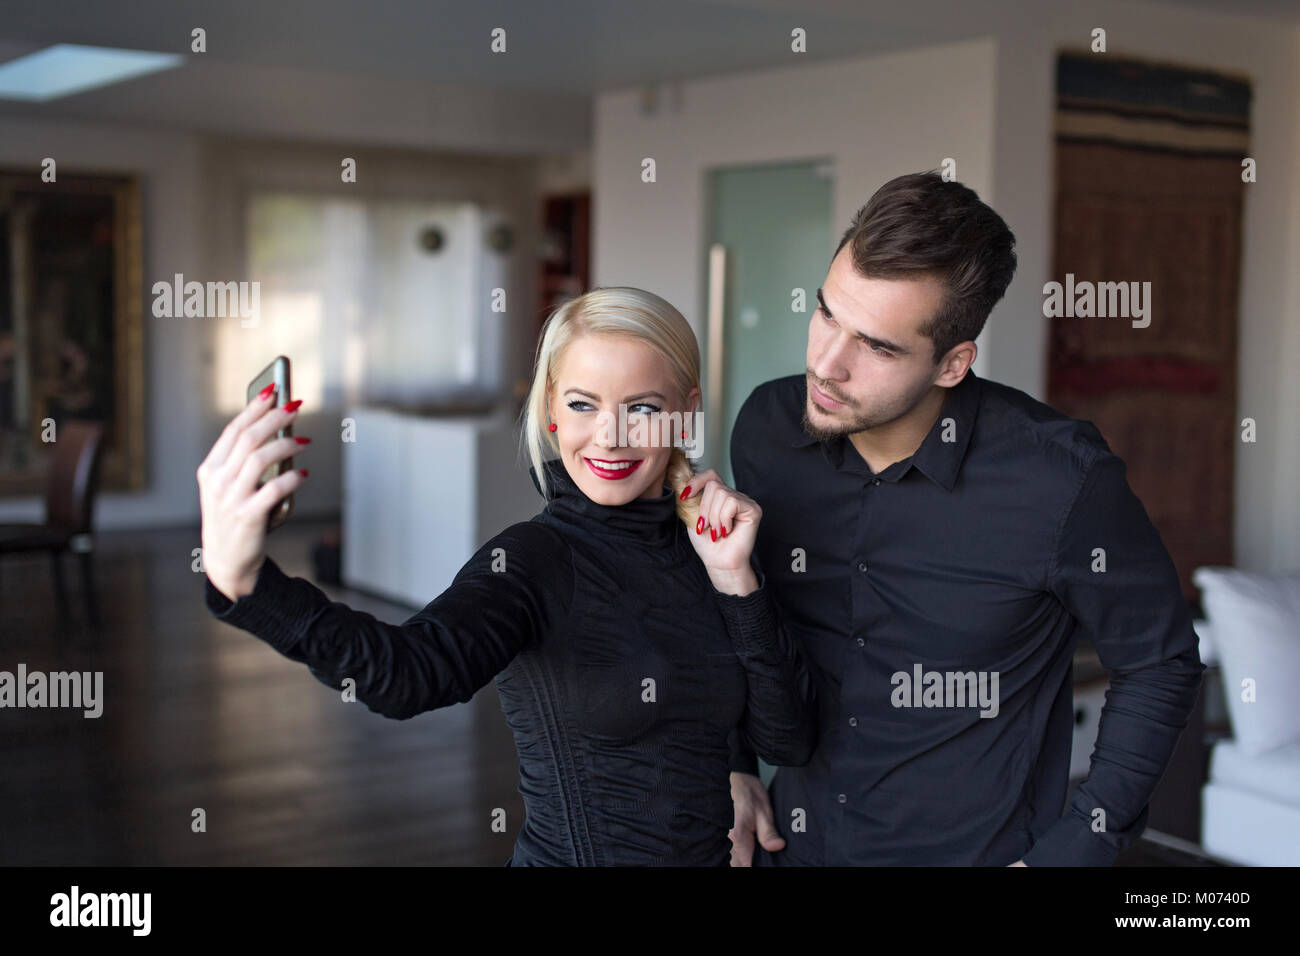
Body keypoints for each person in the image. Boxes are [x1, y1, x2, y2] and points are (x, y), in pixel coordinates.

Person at [197, 286, 817, 866]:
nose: (611, 435)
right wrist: (246, 583)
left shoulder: (713, 546)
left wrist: (737, 581)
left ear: (686, 412)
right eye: (583, 404)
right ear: (551, 409)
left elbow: (785, 739)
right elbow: (408, 675)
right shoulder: (531, 561)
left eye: (643, 408)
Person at [725, 171, 1205, 866]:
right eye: (827, 313)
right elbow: (739, 616)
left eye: (877, 346)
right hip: (792, 845)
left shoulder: (1062, 480)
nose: (826, 365)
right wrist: (732, 759)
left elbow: (1160, 661)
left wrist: (1079, 845)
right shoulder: (769, 430)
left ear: (953, 364)